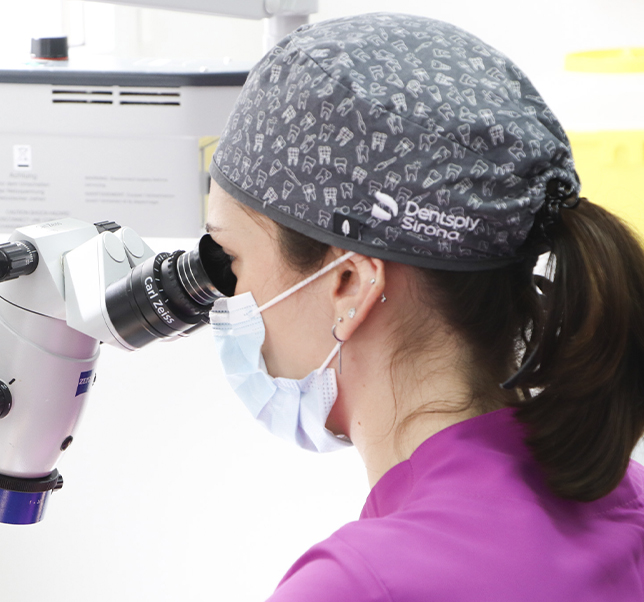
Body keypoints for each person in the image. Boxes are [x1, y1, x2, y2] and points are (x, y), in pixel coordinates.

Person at [203, 12, 644, 601]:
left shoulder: (355, 586)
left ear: (349, 283)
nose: (224, 296)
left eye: (229, 258)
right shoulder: (629, 504)